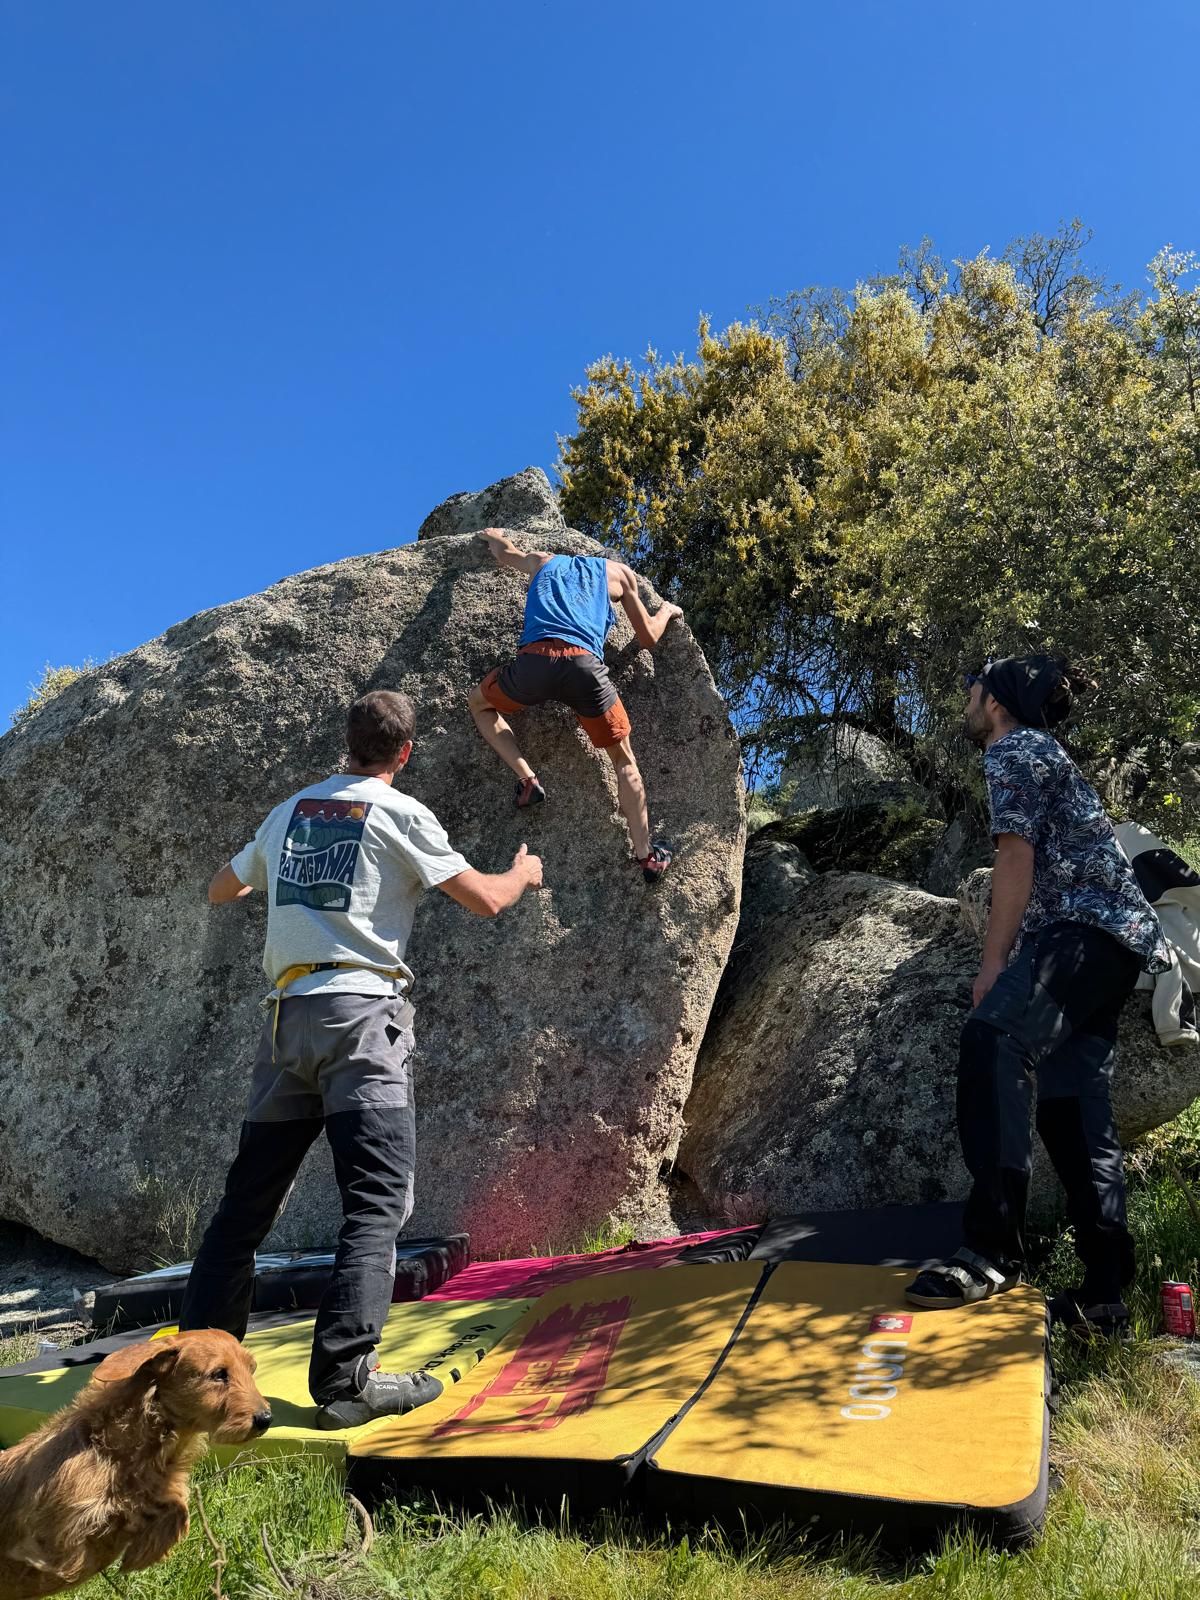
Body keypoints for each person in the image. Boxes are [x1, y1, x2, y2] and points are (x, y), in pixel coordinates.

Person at [179, 690, 543, 1428]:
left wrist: (273, 878)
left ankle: (193, 1379)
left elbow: (223, 888)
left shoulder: (288, 813)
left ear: (346, 744)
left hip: (286, 1024)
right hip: (360, 1024)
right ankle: (347, 1383)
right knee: (375, 1204)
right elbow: (484, 900)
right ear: (404, 753)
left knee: (244, 1209)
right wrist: (524, 873)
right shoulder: (402, 814)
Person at [905, 655, 1169, 1335]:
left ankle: (992, 1252)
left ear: (995, 701)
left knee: (994, 1034)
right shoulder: (1045, 751)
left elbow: (1014, 855)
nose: (965, 698)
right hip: (1116, 939)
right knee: (1070, 1105)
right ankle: (1105, 1294)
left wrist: (993, 964)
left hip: (1086, 929)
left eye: (972, 688)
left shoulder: (1014, 747)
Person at [467, 528, 682, 884]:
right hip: (586, 669)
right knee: (624, 760)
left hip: (534, 663)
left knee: (480, 704)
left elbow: (506, 554)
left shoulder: (542, 561)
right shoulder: (619, 574)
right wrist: (667, 610)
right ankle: (646, 857)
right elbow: (648, 638)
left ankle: (527, 779)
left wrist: (494, 537)